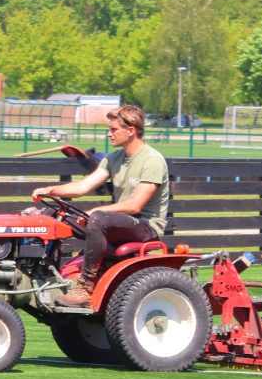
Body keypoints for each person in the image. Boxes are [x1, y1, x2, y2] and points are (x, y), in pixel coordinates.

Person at [31, 104, 169, 306]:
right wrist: (50, 191)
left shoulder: (152, 160)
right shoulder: (114, 158)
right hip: (120, 222)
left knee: (97, 218)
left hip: (145, 226)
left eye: (114, 130)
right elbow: (83, 186)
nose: (109, 134)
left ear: (131, 131)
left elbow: (135, 205)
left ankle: (86, 285)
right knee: (56, 213)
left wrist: (96, 211)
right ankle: (44, 273)